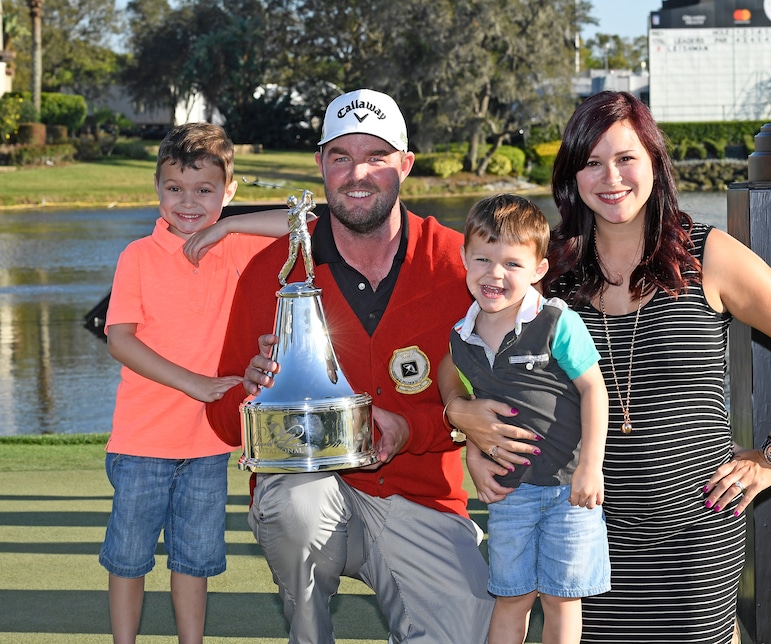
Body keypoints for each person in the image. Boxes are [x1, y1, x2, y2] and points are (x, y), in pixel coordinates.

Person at [444, 91, 771, 643]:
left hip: (695, 537)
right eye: (592, 161)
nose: (611, 177)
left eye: (626, 158)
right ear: (572, 175)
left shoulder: (708, 255)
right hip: (580, 523)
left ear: (654, 161)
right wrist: (469, 430)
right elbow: (475, 366)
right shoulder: (542, 276)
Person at [205, 88, 493, 644]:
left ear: (405, 165)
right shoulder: (274, 270)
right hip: (312, 497)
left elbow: (490, 403)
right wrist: (251, 387)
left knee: (474, 628)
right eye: (341, 156)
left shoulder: (462, 268)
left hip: (420, 499)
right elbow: (223, 422)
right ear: (321, 165)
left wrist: (412, 429)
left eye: (376, 156)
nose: (357, 173)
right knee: (298, 504)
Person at [100, 123, 293, 644]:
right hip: (142, 442)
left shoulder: (235, 248)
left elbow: (307, 224)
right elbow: (120, 340)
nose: (188, 202)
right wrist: (193, 382)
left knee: (193, 561)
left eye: (205, 190)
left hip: (208, 444)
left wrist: (228, 227)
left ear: (229, 191)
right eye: (174, 188)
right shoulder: (137, 256)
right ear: (157, 187)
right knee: (129, 560)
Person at [447, 194, 610, 644]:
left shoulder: (557, 321)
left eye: (512, 264)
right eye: (482, 258)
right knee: (512, 596)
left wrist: (589, 467)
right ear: (464, 257)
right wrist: (473, 449)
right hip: (509, 492)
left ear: (539, 269)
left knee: (561, 599)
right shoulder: (461, 337)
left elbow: (594, 389)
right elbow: (466, 399)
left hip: (568, 491)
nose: (494, 274)